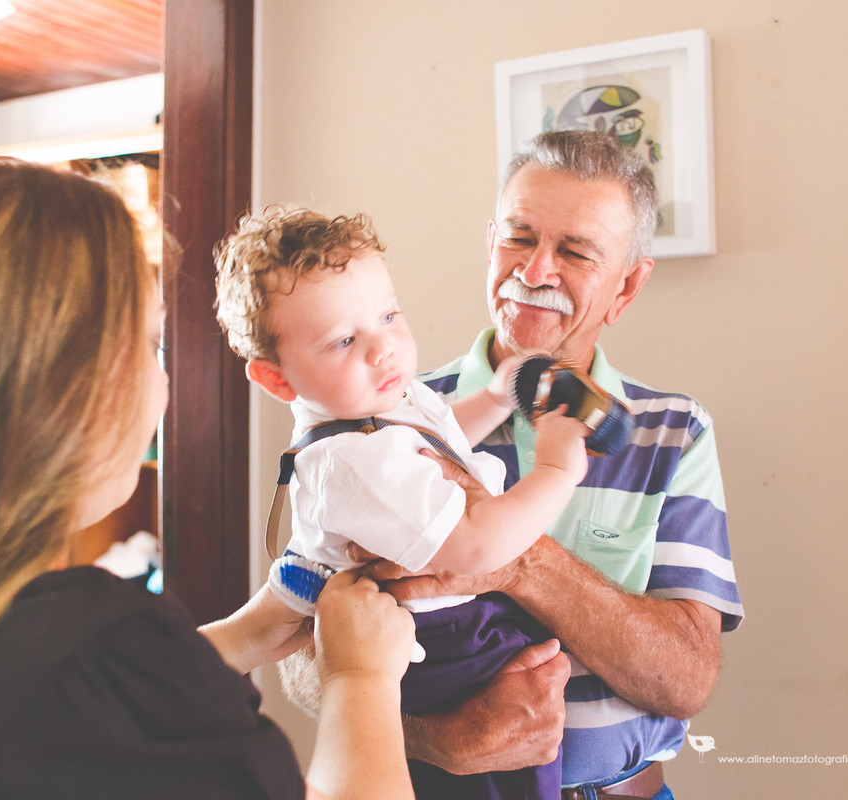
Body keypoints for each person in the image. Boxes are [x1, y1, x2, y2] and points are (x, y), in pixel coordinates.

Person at [0, 157, 417, 800]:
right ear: (71, 389)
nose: (162, 385)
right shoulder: (98, 650)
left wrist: (241, 636)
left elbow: (16, 721)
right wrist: (361, 677)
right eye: (151, 345)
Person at [284, 130, 745, 799]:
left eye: (575, 252)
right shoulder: (380, 415)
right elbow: (299, 647)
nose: (533, 272)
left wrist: (516, 559)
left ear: (626, 286)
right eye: (519, 239)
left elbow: (685, 681)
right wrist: (437, 740)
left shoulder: (674, 431)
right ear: (490, 243)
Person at [215, 205, 589, 799]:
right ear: (277, 379)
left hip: (443, 628)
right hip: (441, 648)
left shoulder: (378, 403)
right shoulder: (351, 461)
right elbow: (476, 547)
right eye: (344, 340)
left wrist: (495, 397)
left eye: (388, 316)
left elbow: (433, 441)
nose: (383, 348)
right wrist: (558, 470)